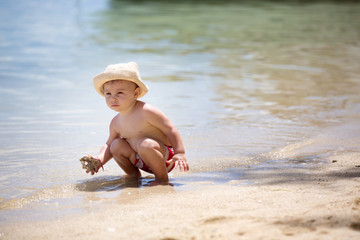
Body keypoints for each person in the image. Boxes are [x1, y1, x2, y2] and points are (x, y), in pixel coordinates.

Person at [86, 62, 189, 185]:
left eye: (120, 93)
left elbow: (170, 129)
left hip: (163, 159)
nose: (113, 98)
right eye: (108, 93)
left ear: (135, 93)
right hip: (139, 160)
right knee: (115, 144)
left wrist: (180, 153)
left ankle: (162, 179)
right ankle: (133, 175)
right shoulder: (115, 122)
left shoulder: (147, 111)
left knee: (145, 144)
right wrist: (99, 160)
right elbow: (108, 146)